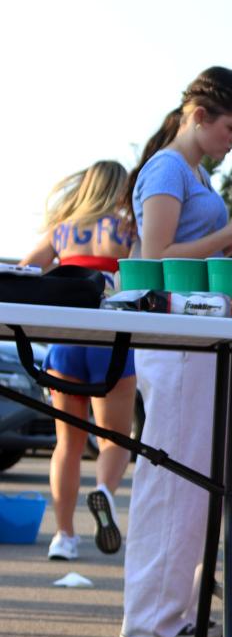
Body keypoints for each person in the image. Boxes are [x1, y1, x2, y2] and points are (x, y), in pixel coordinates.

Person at [122, 69, 232, 637]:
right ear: (199, 117)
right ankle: (153, 618)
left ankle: (170, 611)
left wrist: (229, 239)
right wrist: (229, 233)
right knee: (172, 475)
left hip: (192, 338)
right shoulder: (167, 168)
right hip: (176, 339)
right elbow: (156, 256)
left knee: (187, 478)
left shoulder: (192, 171)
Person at [21, 162, 137, 561]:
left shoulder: (63, 229)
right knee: (116, 440)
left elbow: (26, 270)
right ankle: (103, 490)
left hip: (66, 341)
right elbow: (143, 277)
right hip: (110, 339)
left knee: (66, 445)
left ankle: (64, 537)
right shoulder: (127, 227)